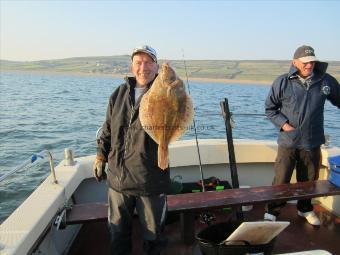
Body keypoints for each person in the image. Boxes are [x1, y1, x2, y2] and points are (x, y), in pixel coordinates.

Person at [93, 45, 170, 255]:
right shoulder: (118, 94)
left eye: (148, 62)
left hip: (150, 180)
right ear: (132, 66)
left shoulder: (165, 93)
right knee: (118, 235)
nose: (143, 67)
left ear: (156, 67)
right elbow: (107, 128)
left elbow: (177, 116)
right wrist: (101, 154)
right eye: (138, 62)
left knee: (154, 239)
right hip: (118, 180)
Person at [264, 45, 340, 226]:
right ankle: (273, 210)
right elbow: (270, 109)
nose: (309, 65)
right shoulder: (282, 81)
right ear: (295, 62)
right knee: (281, 179)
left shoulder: (325, 81)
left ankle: (305, 208)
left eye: (312, 61)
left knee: (308, 181)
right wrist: (285, 125)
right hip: (288, 142)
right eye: (305, 62)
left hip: (312, 141)